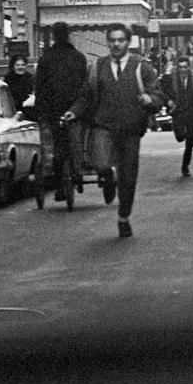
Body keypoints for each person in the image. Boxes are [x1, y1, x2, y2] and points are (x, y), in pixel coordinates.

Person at [64, 23, 163, 237]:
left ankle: (123, 217)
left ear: (128, 42)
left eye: (120, 40)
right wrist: (74, 111)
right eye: (112, 40)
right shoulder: (97, 67)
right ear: (107, 42)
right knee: (99, 161)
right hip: (104, 126)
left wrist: (149, 99)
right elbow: (86, 96)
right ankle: (107, 176)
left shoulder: (141, 67)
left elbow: (158, 97)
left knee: (128, 177)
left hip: (130, 130)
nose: (116, 44)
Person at [34, 22, 90, 200]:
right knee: (76, 142)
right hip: (75, 109)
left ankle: (60, 185)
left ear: (53, 37)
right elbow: (85, 85)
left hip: (53, 111)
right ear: (68, 36)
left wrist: (41, 110)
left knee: (57, 147)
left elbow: (40, 87)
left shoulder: (45, 59)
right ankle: (77, 172)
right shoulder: (79, 57)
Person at [161, 55, 193, 177]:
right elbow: (161, 91)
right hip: (177, 112)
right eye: (180, 67)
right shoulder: (170, 79)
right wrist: (168, 101)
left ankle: (185, 166)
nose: (183, 69)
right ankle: (178, 131)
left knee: (190, 141)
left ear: (189, 67)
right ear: (177, 68)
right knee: (180, 137)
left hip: (191, 112)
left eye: (185, 67)